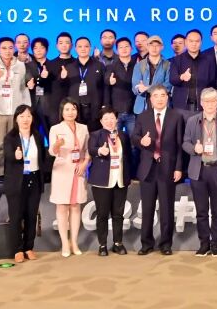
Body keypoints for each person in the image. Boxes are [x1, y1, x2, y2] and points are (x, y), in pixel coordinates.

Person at [183, 88, 217, 257]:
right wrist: (194, 148)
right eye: (206, 101)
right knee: (201, 211)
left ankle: (216, 244)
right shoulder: (192, 121)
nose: (210, 104)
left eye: (213, 101)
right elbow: (185, 142)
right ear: (201, 103)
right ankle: (204, 243)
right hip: (198, 170)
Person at [131, 86, 184, 255]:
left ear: (167, 97)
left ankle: (166, 244)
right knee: (147, 209)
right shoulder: (143, 116)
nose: (159, 99)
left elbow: (180, 145)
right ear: (151, 99)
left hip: (168, 168)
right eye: (156, 96)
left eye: (163, 95)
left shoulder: (176, 116)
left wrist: (178, 168)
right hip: (148, 168)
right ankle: (146, 244)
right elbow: (134, 137)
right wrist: (141, 141)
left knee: (167, 209)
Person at [2, 103, 49, 263]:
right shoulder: (10, 137)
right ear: (16, 119)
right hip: (16, 181)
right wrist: (14, 156)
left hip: (34, 179)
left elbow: (43, 158)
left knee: (31, 216)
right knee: (16, 217)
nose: (25, 119)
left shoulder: (37, 136)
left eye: (28, 116)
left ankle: (29, 247)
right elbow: (7, 155)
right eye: (22, 116)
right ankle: (17, 249)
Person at [48, 98, 90, 257]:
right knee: (62, 207)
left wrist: (84, 164)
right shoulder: (55, 129)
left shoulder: (83, 128)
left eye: (73, 109)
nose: (70, 112)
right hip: (62, 170)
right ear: (62, 112)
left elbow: (87, 150)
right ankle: (65, 243)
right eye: (67, 109)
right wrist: (57, 145)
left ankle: (74, 242)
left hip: (78, 171)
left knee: (75, 206)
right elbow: (52, 151)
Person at [0, 36, 29, 183]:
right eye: (4, 48)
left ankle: (15, 171)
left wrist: (26, 109)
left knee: (16, 143)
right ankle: (1, 172)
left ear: (14, 48)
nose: (7, 51)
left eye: (10, 48)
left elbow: (23, 88)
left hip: (16, 111)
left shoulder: (20, 65)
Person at [87, 107, 131, 257]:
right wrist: (100, 151)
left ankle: (118, 243)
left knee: (118, 214)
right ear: (101, 121)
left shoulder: (123, 136)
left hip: (120, 180)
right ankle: (102, 245)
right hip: (102, 181)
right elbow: (91, 149)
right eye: (106, 118)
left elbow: (128, 156)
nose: (109, 121)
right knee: (102, 214)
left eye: (112, 118)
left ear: (116, 119)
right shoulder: (95, 135)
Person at [61, 36, 104, 129]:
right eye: (80, 46)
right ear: (75, 48)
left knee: (94, 135)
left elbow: (105, 87)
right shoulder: (69, 67)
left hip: (95, 108)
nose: (83, 49)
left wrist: (105, 105)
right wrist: (63, 78)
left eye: (86, 46)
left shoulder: (99, 66)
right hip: (76, 109)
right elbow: (64, 89)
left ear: (90, 48)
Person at [171, 29, 216, 113]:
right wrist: (181, 77)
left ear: (201, 42)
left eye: (197, 41)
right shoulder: (177, 60)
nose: (194, 44)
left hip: (203, 106)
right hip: (181, 106)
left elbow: (213, 82)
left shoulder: (209, 60)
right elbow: (172, 80)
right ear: (186, 42)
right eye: (191, 41)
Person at [131, 34, 172, 116]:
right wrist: (139, 89)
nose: (154, 48)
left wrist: (148, 88)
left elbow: (167, 86)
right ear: (147, 46)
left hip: (161, 106)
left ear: (162, 47)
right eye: (151, 45)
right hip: (142, 107)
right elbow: (135, 87)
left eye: (157, 45)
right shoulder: (139, 65)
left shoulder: (167, 65)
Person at [105, 37, 138, 135]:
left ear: (131, 48)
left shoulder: (138, 65)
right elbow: (106, 80)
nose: (124, 49)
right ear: (117, 50)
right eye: (121, 47)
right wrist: (109, 81)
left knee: (133, 140)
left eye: (126, 46)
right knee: (113, 139)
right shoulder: (111, 66)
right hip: (116, 111)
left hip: (133, 110)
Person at [44, 32, 74, 129]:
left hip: (73, 104)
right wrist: (43, 77)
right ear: (57, 46)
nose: (64, 45)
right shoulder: (50, 64)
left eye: (67, 42)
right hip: (55, 106)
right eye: (61, 43)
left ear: (72, 45)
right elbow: (45, 87)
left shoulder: (76, 63)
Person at [27, 37, 55, 128]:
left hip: (49, 105)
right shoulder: (27, 66)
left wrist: (45, 78)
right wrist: (28, 86)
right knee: (32, 133)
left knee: (50, 131)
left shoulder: (53, 65)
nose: (38, 50)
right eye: (35, 48)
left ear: (47, 49)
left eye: (42, 47)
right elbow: (24, 82)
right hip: (32, 105)